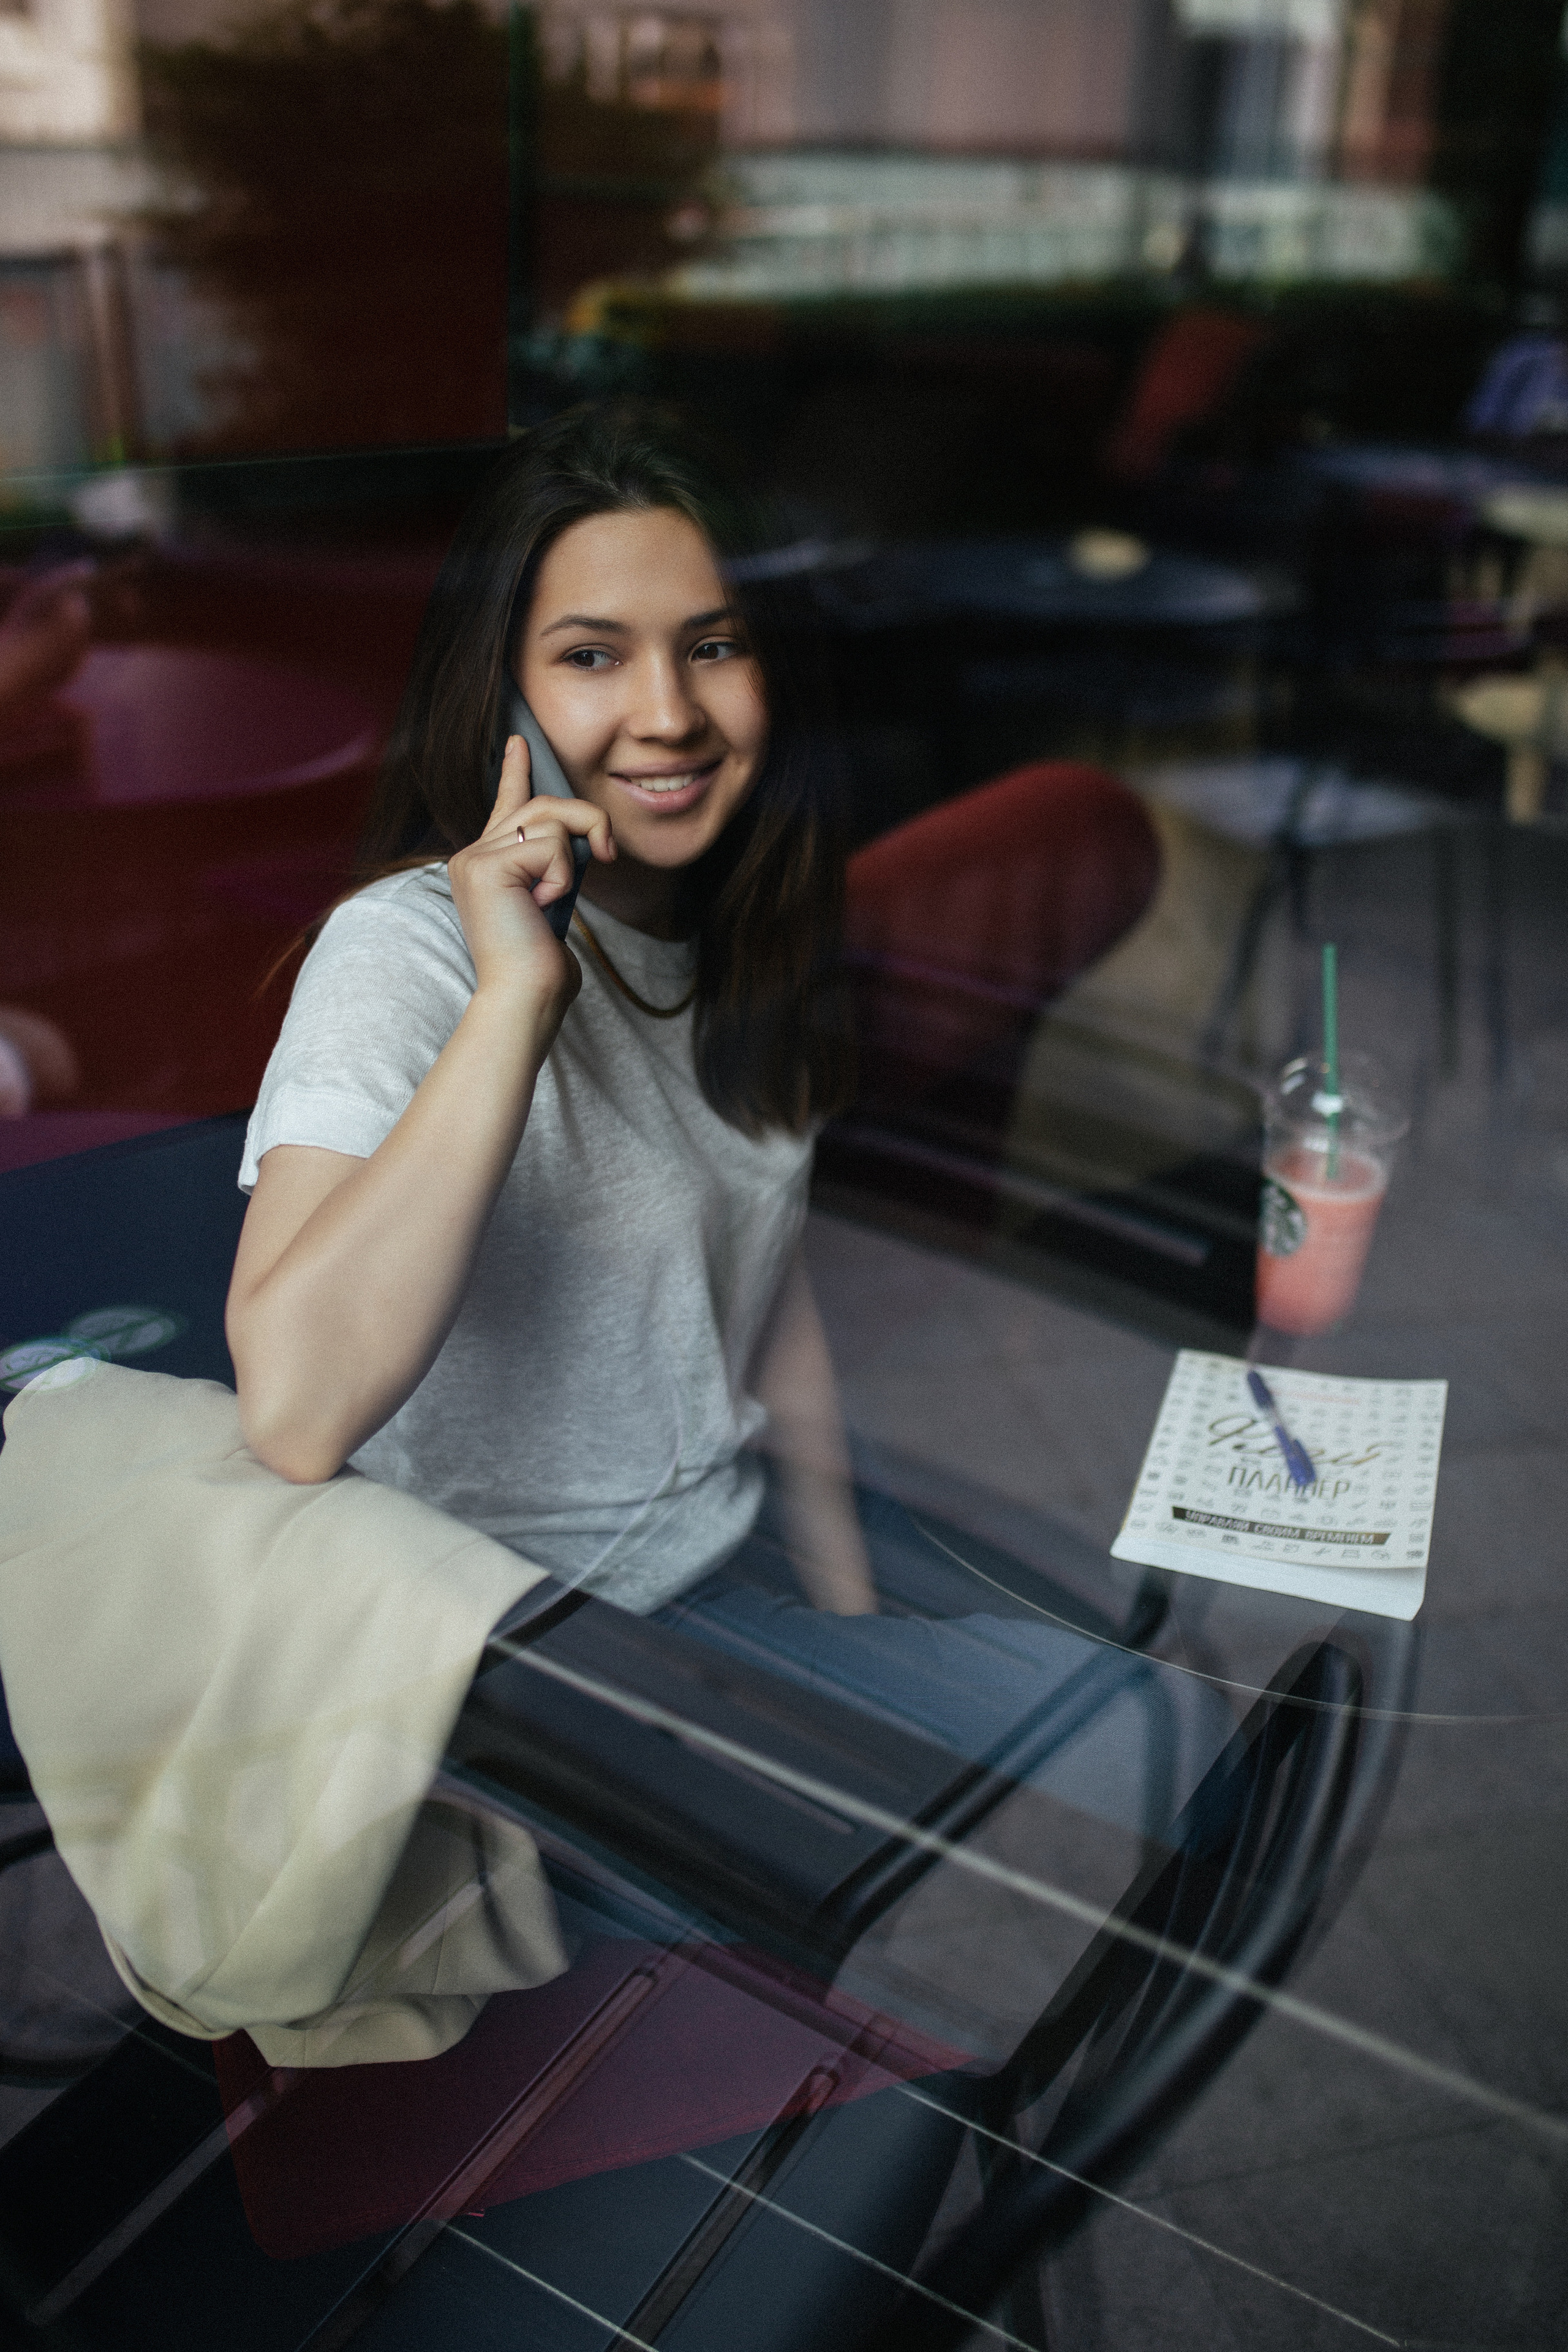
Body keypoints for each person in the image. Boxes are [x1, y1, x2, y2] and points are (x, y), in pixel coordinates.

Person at [226, 402, 1226, 1834]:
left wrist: (846, 1603)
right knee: (1137, 1759)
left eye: (711, 645)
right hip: (508, 1650)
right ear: (499, 700)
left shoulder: (730, 931)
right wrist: (516, 1000)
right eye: (589, 656)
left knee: (1158, 1730)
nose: (669, 711)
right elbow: (295, 1410)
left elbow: (761, 1290)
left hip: (711, 1558)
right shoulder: (409, 953)